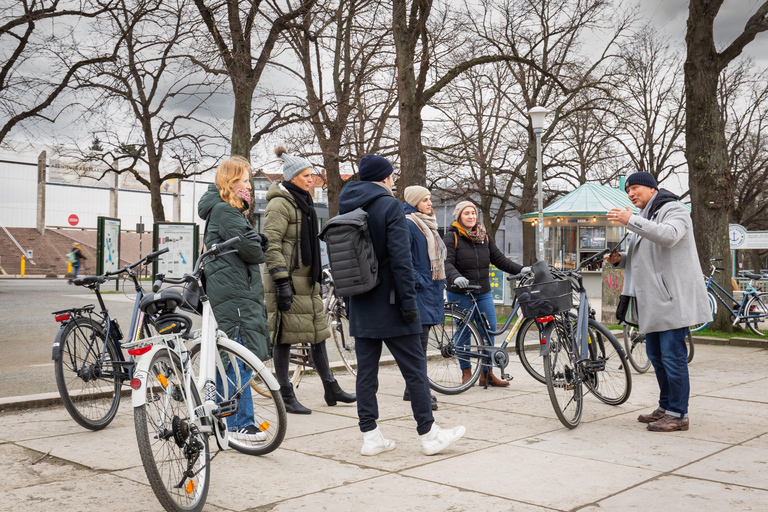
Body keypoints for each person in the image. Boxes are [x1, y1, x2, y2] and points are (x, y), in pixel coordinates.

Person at [338, 154, 465, 457]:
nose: (394, 180)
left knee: (366, 373)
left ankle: (370, 436)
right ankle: (429, 433)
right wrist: (409, 304)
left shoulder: (348, 205)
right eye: (392, 175)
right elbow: (401, 260)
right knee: (415, 370)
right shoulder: (390, 206)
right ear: (383, 178)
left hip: (361, 302)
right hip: (393, 303)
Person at [605, 171, 711, 432]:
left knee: (673, 357)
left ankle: (679, 414)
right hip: (654, 302)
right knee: (657, 356)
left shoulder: (674, 209)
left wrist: (631, 221)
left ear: (652, 189)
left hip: (671, 299)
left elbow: (669, 236)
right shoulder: (645, 216)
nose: (631, 194)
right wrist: (620, 260)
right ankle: (665, 407)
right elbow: (646, 255)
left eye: (636, 188)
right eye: (628, 190)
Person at [263, 146, 355, 414]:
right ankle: (285, 394)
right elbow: (272, 245)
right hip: (287, 280)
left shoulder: (303, 202)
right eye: (305, 175)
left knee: (317, 333)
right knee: (283, 337)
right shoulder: (280, 203)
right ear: (292, 177)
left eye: (311, 174)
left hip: (307, 279)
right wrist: (280, 282)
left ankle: (330, 386)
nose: (310, 178)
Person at [197, 155, 271, 442]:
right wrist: (259, 241)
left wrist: (256, 240)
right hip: (234, 293)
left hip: (229, 290)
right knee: (236, 358)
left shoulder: (224, 210)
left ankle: (223, 416)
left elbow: (250, 243)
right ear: (230, 182)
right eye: (244, 180)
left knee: (228, 357)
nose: (250, 187)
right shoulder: (226, 212)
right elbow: (254, 251)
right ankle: (241, 424)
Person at [444, 201, 528, 387]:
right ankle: (466, 372)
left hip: (483, 291)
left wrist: (521, 270)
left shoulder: (484, 236)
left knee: (489, 330)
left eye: (473, 213)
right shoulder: (452, 237)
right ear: (459, 216)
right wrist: (456, 277)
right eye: (466, 213)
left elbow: (499, 259)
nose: (471, 216)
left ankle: (487, 373)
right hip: (460, 292)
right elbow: (447, 262)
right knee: (464, 331)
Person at [402, 186, 445, 411]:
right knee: (418, 345)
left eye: (430, 199)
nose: (430, 203)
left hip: (430, 291)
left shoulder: (427, 224)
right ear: (414, 202)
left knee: (421, 344)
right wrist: (421, 282)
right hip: (420, 292)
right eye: (425, 200)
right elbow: (404, 259)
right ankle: (420, 391)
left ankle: (413, 388)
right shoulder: (409, 224)